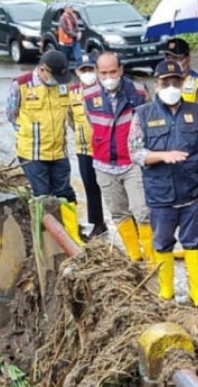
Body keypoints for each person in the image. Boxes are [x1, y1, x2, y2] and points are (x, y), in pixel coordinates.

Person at [128, 60, 198, 308]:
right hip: (161, 193)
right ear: (157, 84)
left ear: (183, 82)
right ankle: (166, 289)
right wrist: (162, 156)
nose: (171, 87)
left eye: (176, 82)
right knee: (162, 241)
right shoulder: (143, 114)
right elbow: (134, 152)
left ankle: (197, 291)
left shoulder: (196, 111)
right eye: (166, 83)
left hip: (193, 190)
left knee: (193, 240)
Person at [6, 50, 82, 244]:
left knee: (65, 192)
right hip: (32, 153)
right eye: (54, 76)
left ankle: (72, 236)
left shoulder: (64, 87)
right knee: (42, 195)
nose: (58, 81)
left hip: (59, 151)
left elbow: (72, 116)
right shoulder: (21, 85)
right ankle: (48, 241)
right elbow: (11, 115)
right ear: (42, 70)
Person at [84, 52, 153, 262]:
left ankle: (152, 258)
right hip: (104, 164)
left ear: (121, 70)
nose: (109, 77)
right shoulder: (89, 96)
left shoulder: (139, 92)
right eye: (103, 73)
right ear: (97, 72)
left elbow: (150, 122)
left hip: (133, 163)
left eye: (113, 72)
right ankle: (134, 255)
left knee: (142, 211)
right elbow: (90, 123)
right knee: (118, 212)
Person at [163, 38, 198, 268]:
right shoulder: (164, 84)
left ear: (187, 59)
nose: (173, 62)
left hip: (196, 156)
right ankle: (189, 245)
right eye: (169, 57)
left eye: (177, 58)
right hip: (172, 157)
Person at [70, 54, 107, 239]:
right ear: (77, 72)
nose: (87, 73)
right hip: (83, 149)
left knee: (115, 187)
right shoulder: (72, 92)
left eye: (90, 69)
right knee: (90, 187)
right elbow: (70, 119)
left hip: (105, 148)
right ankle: (98, 223)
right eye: (83, 70)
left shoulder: (104, 90)